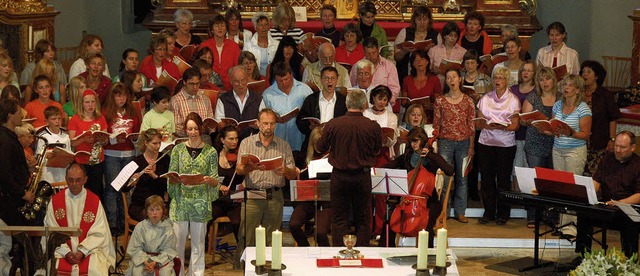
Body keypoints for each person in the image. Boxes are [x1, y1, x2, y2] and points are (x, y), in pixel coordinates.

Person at [316, 89, 381, 246]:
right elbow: (377, 150)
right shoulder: (372, 126)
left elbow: (319, 148)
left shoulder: (334, 124)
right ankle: (363, 254)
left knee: (339, 219)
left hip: (339, 176)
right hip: (362, 176)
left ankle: (339, 254)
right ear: (365, 105)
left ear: (346, 103)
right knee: (363, 219)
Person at [235, 108, 298, 260]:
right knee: (246, 236)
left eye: (272, 124)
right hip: (252, 194)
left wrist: (285, 171)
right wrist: (251, 167)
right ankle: (244, 268)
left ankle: (271, 267)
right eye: (265, 123)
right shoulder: (247, 143)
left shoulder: (283, 145)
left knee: (273, 237)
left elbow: (292, 174)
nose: (268, 127)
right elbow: (238, 170)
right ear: (258, 124)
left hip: (274, 195)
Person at [167, 112, 219, 275]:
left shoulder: (211, 152)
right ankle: (179, 273)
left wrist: (209, 180)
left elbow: (215, 179)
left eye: (196, 128)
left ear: (201, 129)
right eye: (190, 129)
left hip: (200, 202)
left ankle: (196, 273)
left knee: (198, 244)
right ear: (185, 130)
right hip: (181, 202)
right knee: (177, 244)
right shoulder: (178, 150)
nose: (193, 132)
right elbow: (171, 174)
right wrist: (175, 179)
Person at [384, 127, 454, 247]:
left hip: (429, 201)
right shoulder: (407, 156)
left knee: (426, 223)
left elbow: (449, 171)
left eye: (416, 141)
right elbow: (390, 165)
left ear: (423, 140)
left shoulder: (432, 158)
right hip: (408, 200)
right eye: (411, 141)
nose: (413, 144)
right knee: (390, 220)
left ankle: (427, 253)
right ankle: (387, 250)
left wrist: (430, 155)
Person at [575, 131, 640, 258]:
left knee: (630, 221)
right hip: (607, 206)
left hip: (629, 208)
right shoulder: (607, 159)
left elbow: (639, 195)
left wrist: (619, 203)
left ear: (633, 148)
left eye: (622, 147)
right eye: (616, 146)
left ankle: (629, 260)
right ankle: (583, 256)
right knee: (584, 212)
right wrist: (588, 193)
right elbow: (597, 181)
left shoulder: (638, 165)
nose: (618, 150)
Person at [43, 162, 115, 275]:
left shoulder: (94, 201)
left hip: (89, 250)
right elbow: (52, 231)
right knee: (53, 269)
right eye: (71, 180)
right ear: (66, 179)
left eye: (78, 180)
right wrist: (66, 252)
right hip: (61, 251)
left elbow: (100, 233)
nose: (74, 184)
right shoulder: (56, 201)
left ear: (85, 179)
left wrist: (82, 251)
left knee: (94, 269)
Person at [547, 74, 592, 238]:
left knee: (572, 190)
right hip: (558, 149)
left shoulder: (583, 108)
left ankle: (571, 228)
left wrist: (571, 133)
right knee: (560, 189)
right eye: (564, 84)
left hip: (575, 151)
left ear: (578, 89)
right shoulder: (558, 105)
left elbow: (585, 134)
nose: (566, 87)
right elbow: (553, 126)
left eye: (570, 85)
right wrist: (544, 127)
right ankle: (562, 224)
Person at [476, 67, 520, 225]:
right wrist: (488, 125)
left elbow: (515, 125)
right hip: (486, 142)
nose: (497, 80)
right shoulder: (485, 98)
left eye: (501, 78)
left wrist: (503, 127)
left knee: (503, 180)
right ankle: (488, 212)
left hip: (506, 145)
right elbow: (479, 122)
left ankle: (503, 213)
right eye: (495, 78)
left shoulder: (514, 99)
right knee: (487, 180)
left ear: (507, 81)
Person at [433, 68, 476, 223]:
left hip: (464, 143)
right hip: (445, 142)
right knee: (444, 179)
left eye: (454, 77)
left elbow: (471, 125)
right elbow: (436, 126)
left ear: (460, 80)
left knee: (462, 178)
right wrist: (436, 144)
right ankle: (442, 210)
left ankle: (460, 211)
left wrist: (471, 146)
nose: (451, 80)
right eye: (448, 77)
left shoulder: (468, 101)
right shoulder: (440, 101)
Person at [520, 66, 560, 227]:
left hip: (556, 143)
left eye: (548, 78)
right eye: (541, 79)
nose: (545, 82)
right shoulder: (533, 96)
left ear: (554, 80)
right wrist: (532, 120)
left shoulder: (561, 97)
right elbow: (523, 119)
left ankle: (552, 215)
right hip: (535, 142)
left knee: (553, 182)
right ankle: (533, 215)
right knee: (535, 180)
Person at [102, 83, 142, 235]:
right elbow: (103, 138)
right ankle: (113, 225)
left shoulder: (133, 112)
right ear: (113, 96)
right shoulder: (106, 113)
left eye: (124, 95)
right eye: (118, 95)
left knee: (127, 189)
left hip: (129, 154)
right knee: (113, 189)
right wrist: (114, 140)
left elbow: (137, 134)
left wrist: (134, 139)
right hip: (111, 154)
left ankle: (126, 223)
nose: (121, 98)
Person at [580, 60, 621, 176]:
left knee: (595, 175)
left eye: (589, 72)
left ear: (596, 76)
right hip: (579, 141)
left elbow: (613, 118)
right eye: (583, 72)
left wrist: (612, 139)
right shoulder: (578, 93)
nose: (585, 75)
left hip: (598, 141)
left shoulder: (605, 95)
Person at [262, 62, 313, 152]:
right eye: (280, 81)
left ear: (291, 74)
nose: (284, 83)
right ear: (275, 78)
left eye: (286, 79)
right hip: (277, 141)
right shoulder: (267, 94)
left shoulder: (304, 89)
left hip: (300, 140)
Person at [296, 66, 347, 155]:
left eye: (332, 78)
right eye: (326, 78)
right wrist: (309, 126)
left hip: (336, 145)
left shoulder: (344, 101)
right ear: (321, 80)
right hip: (314, 144)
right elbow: (300, 121)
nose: (329, 81)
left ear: (337, 80)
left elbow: (348, 123)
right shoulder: (311, 99)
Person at [67, 90, 109, 199]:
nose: (90, 105)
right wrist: (83, 139)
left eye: (92, 102)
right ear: (81, 103)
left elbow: (106, 140)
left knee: (97, 191)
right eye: (87, 102)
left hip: (98, 161)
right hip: (82, 161)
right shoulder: (75, 119)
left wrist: (101, 140)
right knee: (83, 191)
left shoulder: (101, 118)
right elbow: (72, 142)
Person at [0, 99, 33, 226]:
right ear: (10, 116)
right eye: (19, 112)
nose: (22, 115)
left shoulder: (9, 137)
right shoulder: (5, 140)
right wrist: (22, 193)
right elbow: (4, 173)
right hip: (10, 199)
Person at [125, 195, 177, 276]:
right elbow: (135, 248)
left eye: (158, 209)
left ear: (163, 211)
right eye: (151, 210)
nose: (154, 213)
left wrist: (155, 262)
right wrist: (145, 261)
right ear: (146, 212)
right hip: (142, 259)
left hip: (161, 260)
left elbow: (169, 250)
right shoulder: (140, 227)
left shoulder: (168, 228)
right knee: (138, 272)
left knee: (164, 273)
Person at [125, 129, 170, 221]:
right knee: (151, 216)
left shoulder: (165, 159)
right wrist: (132, 182)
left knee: (158, 214)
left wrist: (154, 175)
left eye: (159, 143)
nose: (158, 146)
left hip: (159, 203)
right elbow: (124, 189)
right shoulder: (137, 161)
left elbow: (168, 186)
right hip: (141, 204)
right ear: (146, 143)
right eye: (154, 143)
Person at [215, 66, 265, 140]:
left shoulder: (257, 98)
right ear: (231, 81)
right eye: (237, 81)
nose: (240, 84)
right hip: (230, 142)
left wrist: (258, 125)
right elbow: (218, 123)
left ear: (247, 79)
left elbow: (264, 121)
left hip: (253, 141)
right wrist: (227, 126)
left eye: (243, 80)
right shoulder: (223, 99)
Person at [211, 126, 243, 242]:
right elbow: (209, 178)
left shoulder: (240, 155)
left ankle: (241, 253)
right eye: (231, 139)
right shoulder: (213, 156)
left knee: (238, 224)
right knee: (204, 220)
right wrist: (219, 186)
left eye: (236, 138)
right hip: (217, 199)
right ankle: (203, 250)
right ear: (222, 140)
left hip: (234, 200)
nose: (235, 142)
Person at [395, 5, 440, 84]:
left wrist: (431, 51)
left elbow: (439, 61)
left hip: (428, 76)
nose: (422, 23)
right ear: (414, 20)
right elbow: (396, 57)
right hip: (405, 73)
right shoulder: (404, 32)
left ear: (429, 20)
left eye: (425, 19)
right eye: (419, 19)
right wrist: (404, 51)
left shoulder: (436, 35)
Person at [349, 37, 401, 106]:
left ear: (378, 49)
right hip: (361, 106)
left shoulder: (389, 66)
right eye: (368, 54)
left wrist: (384, 101)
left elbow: (395, 89)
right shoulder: (357, 67)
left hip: (383, 105)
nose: (371, 56)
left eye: (374, 53)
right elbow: (353, 85)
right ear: (364, 52)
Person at [199, 14, 241, 91]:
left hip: (230, 87)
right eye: (216, 26)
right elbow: (200, 67)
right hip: (209, 87)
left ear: (226, 28)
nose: (220, 28)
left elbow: (237, 68)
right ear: (212, 29)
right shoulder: (204, 45)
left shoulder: (234, 46)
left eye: (222, 25)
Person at [170, 68, 214, 138]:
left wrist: (208, 128)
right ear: (184, 82)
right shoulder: (175, 101)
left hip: (204, 139)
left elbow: (211, 125)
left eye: (197, 83)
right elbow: (176, 129)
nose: (195, 87)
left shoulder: (206, 99)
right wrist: (195, 130)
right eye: (191, 84)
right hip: (185, 140)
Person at [399, 49, 442, 119]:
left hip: (428, 117)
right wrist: (409, 104)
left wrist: (430, 106)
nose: (419, 62)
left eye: (422, 59)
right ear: (413, 64)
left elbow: (438, 102)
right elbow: (403, 102)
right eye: (416, 60)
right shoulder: (407, 80)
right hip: (410, 117)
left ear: (427, 62)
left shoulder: (435, 80)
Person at [510, 60, 536, 171]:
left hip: (530, 133)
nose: (526, 73)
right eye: (524, 70)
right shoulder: (513, 89)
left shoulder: (537, 90)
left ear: (534, 73)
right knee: (516, 167)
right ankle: (515, 189)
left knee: (528, 167)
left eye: (529, 71)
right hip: (514, 132)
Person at [35, 106, 70, 184]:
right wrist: (47, 155)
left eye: (59, 118)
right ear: (47, 121)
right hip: (48, 174)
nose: (57, 121)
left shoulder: (66, 136)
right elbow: (38, 156)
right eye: (54, 119)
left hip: (62, 173)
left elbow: (69, 154)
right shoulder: (42, 136)